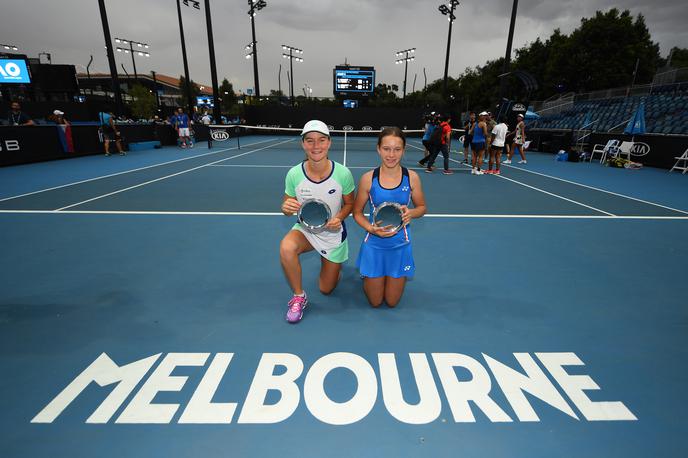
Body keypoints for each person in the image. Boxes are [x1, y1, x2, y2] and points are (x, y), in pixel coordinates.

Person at [279, 120, 355, 323]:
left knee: (326, 289)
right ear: (303, 144)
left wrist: (339, 217)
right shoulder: (294, 174)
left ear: (329, 143)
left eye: (321, 140)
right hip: (306, 230)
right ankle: (298, 296)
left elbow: (350, 204)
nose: (316, 146)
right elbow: (288, 204)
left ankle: (333, 268)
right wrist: (285, 208)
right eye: (310, 141)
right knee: (286, 247)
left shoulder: (343, 174)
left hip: (332, 233)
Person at [353, 127, 427, 307]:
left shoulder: (412, 178)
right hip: (374, 245)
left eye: (397, 149)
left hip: (400, 245)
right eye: (386, 148)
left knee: (392, 302)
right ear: (378, 149)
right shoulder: (368, 179)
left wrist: (412, 213)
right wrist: (371, 228)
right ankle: (369, 273)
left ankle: (380, 274)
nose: (391, 154)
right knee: (376, 302)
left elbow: (422, 207)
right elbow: (356, 213)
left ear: (403, 150)